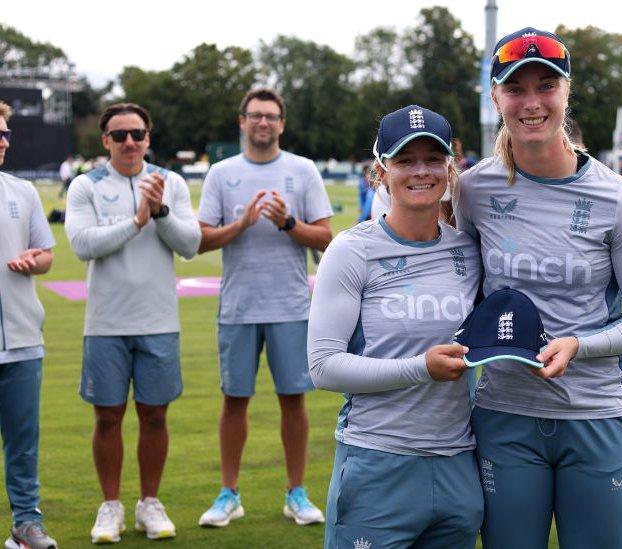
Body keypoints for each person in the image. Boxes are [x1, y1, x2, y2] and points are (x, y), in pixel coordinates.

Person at [455, 27, 622, 549]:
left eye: (545, 86)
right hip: (504, 413)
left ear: (566, 92)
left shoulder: (617, 198)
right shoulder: (473, 190)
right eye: (515, 88)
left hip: (594, 413)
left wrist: (580, 344)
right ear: (496, 98)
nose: (531, 102)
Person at [308, 104, 483, 549]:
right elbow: (324, 367)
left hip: (457, 465)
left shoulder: (469, 250)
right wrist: (419, 367)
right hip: (377, 462)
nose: (420, 171)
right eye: (405, 160)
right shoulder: (352, 252)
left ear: (451, 167)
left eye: (432, 159)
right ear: (381, 171)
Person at [65, 103, 201, 543]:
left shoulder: (171, 182)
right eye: (119, 135)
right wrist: (136, 220)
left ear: (148, 137)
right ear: (104, 140)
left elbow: (191, 244)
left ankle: (149, 503)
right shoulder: (86, 185)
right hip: (105, 322)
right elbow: (83, 244)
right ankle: (110, 507)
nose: (129, 142)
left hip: (158, 319)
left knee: (155, 416)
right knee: (107, 417)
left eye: (137, 134)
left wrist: (159, 213)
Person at [196, 88, 332, 529]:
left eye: (271, 117)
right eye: (255, 116)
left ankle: (296, 493)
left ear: (282, 124)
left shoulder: (302, 170)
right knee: (234, 399)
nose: (263, 123)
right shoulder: (221, 173)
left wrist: (288, 223)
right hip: (238, 306)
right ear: (242, 122)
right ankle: (228, 494)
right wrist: (241, 224)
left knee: (294, 400)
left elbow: (327, 238)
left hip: (290, 304)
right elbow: (201, 239)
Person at [0, 101, 59, 549]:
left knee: (23, 446)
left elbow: (46, 255)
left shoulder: (23, 192)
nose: (4, 142)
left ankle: (26, 525)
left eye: (5, 133)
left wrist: (32, 260)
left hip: (21, 340)